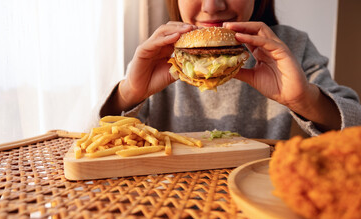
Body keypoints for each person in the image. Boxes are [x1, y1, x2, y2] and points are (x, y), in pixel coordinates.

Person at [95, 0, 361, 140]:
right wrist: (129, 93)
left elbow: (356, 126)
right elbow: (89, 141)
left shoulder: (291, 47)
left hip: (263, 197)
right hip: (172, 198)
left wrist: (305, 100)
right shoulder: (159, 52)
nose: (212, 7)